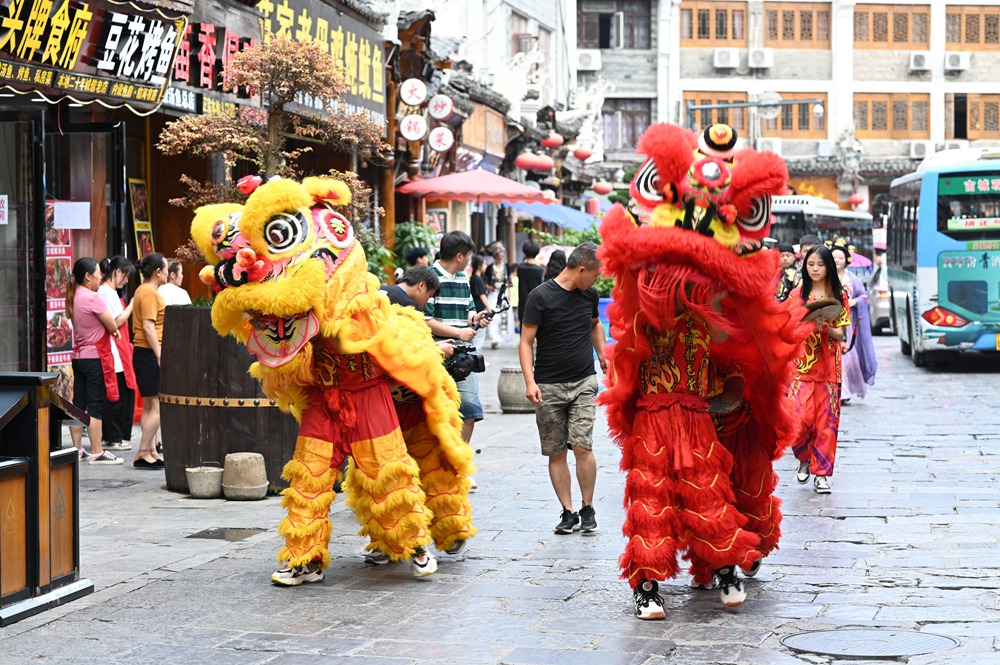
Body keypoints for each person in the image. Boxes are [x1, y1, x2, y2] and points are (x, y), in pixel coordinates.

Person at [519, 243, 605, 536]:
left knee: (582, 445)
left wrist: (603, 353)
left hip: (583, 381)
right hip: (548, 386)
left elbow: (595, 325)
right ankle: (568, 512)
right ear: (582, 269)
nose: (597, 281)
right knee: (556, 452)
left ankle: (588, 507)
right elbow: (526, 342)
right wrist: (530, 381)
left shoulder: (589, 295)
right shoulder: (540, 297)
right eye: (595, 275)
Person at [423, 231, 492, 451]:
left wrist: (476, 319)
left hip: (463, 354)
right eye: (470, 255)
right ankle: (439, 465)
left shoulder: (463, 278)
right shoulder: (429, 277)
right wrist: (458, 332)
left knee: (470, 407)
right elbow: (426, 320)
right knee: (437, 411)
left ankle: (458, 464)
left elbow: (469, 311)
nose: (470, 259)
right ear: (460, 256)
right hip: (436, 353)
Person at [789, 245, 850, 495]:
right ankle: (804, 458)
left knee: (826, 422)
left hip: (829, 369)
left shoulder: (839, 295)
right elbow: (788, 329)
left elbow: (841, 333)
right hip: (801, 368)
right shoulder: (796, 294)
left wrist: (825, 327)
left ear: (829, 267)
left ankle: (822, 474)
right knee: (798, 420)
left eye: (820, 264)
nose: (815, 269)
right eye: (810, 264)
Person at [66, 258, 123, 465]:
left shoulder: (74, 296)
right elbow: (111, 323)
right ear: (87, 276)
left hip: (78, 358)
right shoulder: (93, 297)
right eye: (98, 273)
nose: (101, 277)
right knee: (96, 405)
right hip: (93, 358)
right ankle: (97, 452)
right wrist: (114, 330)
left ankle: (77, 449)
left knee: (78, 404)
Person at [828, 240, 877, 403]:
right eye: (833, 257)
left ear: (846, 260)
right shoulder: (824, 277)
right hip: (830, 322)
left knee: (847, 357)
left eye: (840, 258)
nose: (836, 261)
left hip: (847, 324)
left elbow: (863, 297)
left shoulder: (852, 279)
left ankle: (845, 391)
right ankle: (837, 390)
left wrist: (853, 302)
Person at [133, 253, 169, 469]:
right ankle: (143, 451)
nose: (168, 272)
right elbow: (148, 326)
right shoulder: (147, 292)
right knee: (157, 406)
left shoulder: (144, 290)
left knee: (150, 405)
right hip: (147, 352)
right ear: (158, 272)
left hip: (144, 352)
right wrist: (159, 354)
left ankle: (151, 450)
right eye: (166, 269)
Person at [97, 256, 137, 452]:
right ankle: (113, 437)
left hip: (118, 349)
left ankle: (115, 436)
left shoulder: (108, 291)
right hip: (112, 350)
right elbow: (117, 321)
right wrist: (132, 305)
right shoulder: (106, 291)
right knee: (116, 396)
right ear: (118, 272)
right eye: (126, 277)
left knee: (121, 394)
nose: (126, 281)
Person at [485, 248, 513, 348]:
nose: (502, 254)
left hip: (503, 293)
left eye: (503, 253)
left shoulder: (506, 266)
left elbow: (509, 281)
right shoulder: (489, 268)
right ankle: (493, 337)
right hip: (494, 293)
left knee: (504, 316)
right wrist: (489, 287)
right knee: (494, 315)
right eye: (500, 253)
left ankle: (502, 337)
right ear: (495, 255)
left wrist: (509, 292)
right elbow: (485, 281)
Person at [516, 240, 545, 326]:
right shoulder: (540, 270)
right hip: (537, 304)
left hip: (523, 304)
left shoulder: (520, 268)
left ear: (524, 253)